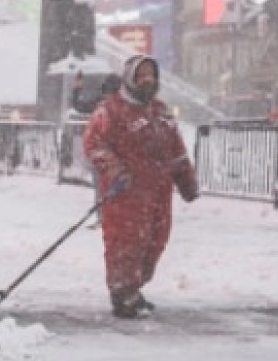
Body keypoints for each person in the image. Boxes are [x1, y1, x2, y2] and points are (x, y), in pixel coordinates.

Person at [82, 54, 199, 318]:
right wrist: (115, 171)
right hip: (125, 194)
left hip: (158, 192)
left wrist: (186, 180)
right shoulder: (110, 111)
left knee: (154, 242)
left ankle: (134, 287)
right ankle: (123, 293)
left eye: (151, 75)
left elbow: (176, 149)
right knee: (126, 243)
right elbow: (94, 144)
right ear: (129, 78)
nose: (147, 80)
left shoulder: (161, 112)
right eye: (141, 75)